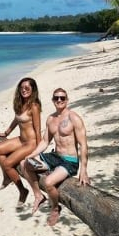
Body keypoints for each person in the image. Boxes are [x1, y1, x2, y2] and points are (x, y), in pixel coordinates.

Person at [22, 87, 90, 226]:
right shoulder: (51, 119)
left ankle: (54, 208)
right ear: (53, 100)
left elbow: (83, 145)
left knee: (48, 182)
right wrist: (32, 154)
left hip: (69, 162)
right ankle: (38, 195)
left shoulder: (74, 118)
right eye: (56, 98)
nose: (59, 100)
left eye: (62, 98)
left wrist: (83, 170)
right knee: (24, 164)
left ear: (67, 100)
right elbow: (45, 141)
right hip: (55, 156)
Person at [0, 77, 42, 205]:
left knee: (7, 164)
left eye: (27, 88)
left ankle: (22, 190)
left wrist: (38, 151)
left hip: (30, 143)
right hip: (21, 140)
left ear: (33, 89)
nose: (24, 90)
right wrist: (6, 133)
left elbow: (38, 130)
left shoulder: (34, 106)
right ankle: (7, 178)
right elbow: (17, 120)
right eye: (22, 88)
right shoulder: (20, 103)